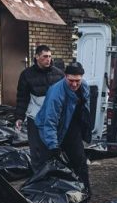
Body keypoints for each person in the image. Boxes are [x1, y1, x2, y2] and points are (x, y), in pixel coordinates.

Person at [35, 62, 93, 195]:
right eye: (71, 80)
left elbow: (85, 109)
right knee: (50, 166)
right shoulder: (56, 93)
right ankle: (46, 197)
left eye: (77, 81)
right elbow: (50, 122)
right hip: (51, 130)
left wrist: (86, 129)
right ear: (65, 76)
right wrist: (53, 145)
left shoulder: (84, 86)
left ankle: (84, 195)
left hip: (72, 128)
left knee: (80, 163)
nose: (74, 84)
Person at [15, 45, 64, 169]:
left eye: (50, 56)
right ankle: (38, 175)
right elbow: (22, 97)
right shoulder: (26, 74)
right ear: (37, 57)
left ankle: (53, 173)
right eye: (45, 56)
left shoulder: (59, 74)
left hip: (53, 117)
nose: (48, 59)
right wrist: (19, 117)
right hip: (35, 117)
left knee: (52, 147)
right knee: (36, 149)